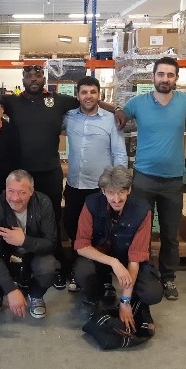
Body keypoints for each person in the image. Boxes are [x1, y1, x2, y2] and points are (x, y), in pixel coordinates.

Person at [0, 65, 120, 289]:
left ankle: (56, 266)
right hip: (22, 174)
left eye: (38, 75)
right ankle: (15, 264)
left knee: (52, 220)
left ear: (44, 78)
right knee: (15, 218)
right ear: (23, 79)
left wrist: (116, 109)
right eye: (29, 75)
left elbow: (88, 101)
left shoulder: (58, 101)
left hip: (50, 173)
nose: (33, 79)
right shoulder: (12, 101)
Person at [118, 56, 186, 300]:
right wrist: (115, 112)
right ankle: (141, 272)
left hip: (173, 181)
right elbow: (119, 114)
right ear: (153, 77)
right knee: (140, 230)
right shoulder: (138, 103)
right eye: (161, 74)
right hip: (143, 178)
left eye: (170, 75)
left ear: (176, 78)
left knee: (170, 233)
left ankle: (168, 277)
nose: (165, 79)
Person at [74, 166, 163, 332]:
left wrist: (125, 301)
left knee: (152, 292)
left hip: (128, 259)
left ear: (129, 190)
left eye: (121, 192)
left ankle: (138, 304)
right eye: (110, 193)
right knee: (82, 270)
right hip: (101, 257)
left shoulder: (142, 210)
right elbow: (81, 245)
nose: (116, 199)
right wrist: (113, 262)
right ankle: (95, 295)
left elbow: (135, 258)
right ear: (103, 191)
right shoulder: (91, 204)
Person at [63, 76, 128, 293]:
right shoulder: (69, 117)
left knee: (103, 234)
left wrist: (118, 185)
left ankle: (104, 275)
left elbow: (120, 153)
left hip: (100, 189)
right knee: (74, 229)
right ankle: (77, 271)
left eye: (93, 92)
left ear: (99, 95)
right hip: (74, 186)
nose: (88, 96)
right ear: (77, 95)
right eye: (84, 92)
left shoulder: (110, 120)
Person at [0, 169, 58, 318]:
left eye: (22, 192)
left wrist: (24, 241)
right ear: (5, 189)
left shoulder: (43, 203)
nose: (15, 198)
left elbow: (51, 244)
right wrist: (11, 289)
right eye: (10, 191)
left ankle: (36, 295)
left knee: (48, 266)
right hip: (5, 256)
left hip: (34, 254)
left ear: (31, 192)